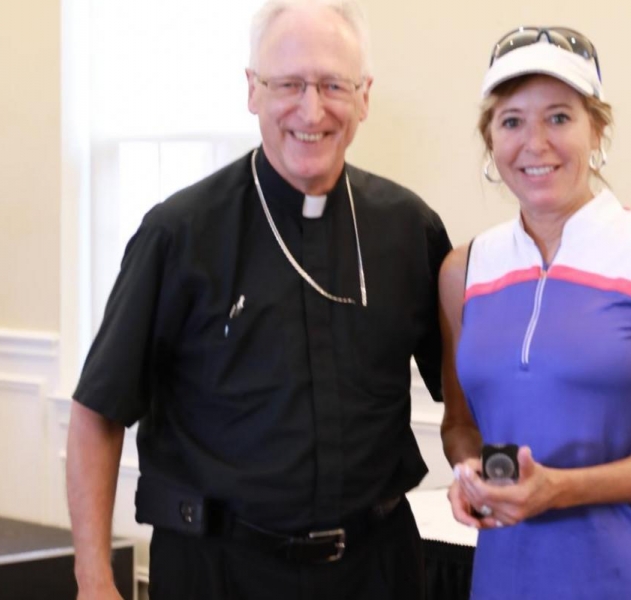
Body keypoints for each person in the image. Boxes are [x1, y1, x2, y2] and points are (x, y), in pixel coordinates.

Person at [66, 1, 451, 598]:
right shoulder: (178, 234)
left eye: (333, 85)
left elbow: (470, 392)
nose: (311, 110)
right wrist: (93, 581)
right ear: (252, 90)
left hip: (376, 569)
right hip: (218, 571)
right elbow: (98, 412)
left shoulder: (410, 230)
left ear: (365, 96)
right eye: (288, 84)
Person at [439, 27, 631, 599]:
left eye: (559, 117)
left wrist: (560, 489)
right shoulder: (464, 270)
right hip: (508, 575)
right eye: (512, 121)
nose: (535, 143)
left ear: (596, 130)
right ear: (490, 139)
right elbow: (461, 426)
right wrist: (469, 474)